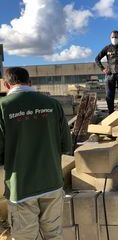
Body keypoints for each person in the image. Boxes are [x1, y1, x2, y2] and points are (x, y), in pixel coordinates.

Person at [0, 67, 72, 239]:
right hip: (52, 182)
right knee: (54, 235)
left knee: (25, 237)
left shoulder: (3, 107)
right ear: (30, 83)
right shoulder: (52, 104)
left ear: (6, 84)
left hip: (22, 187)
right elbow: (66, 145)